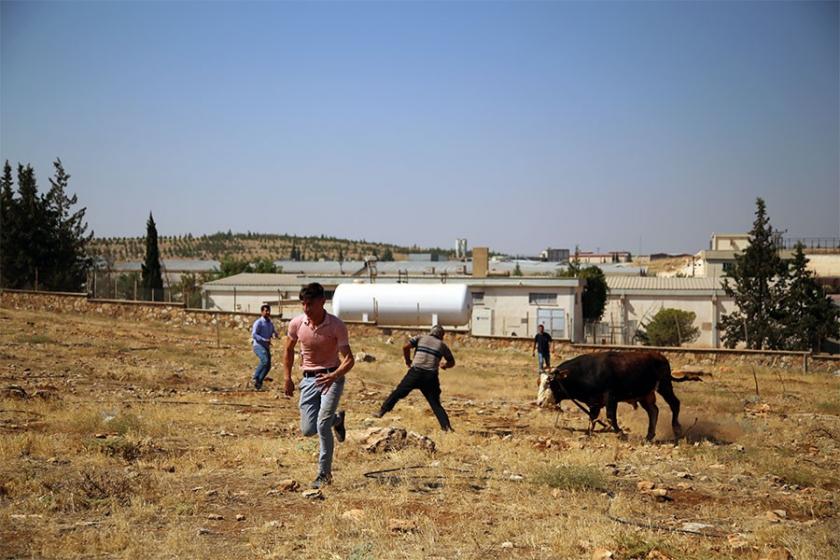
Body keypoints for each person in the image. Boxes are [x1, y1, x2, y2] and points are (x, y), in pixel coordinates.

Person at [284, 282, 354, 489]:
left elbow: (349, 359)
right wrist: (287, 378)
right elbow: (288, 350)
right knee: (308, 429)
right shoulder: (297, 324)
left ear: (323, 302)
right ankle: (337, 420)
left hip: (331, 377)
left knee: (322, 425)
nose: (306, 309)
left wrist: (334, 376)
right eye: (304, 304)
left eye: (311, 304)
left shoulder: (336, 325)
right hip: (308, 380)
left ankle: (324, 474)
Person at [372, 325, 455, 432]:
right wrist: (445, 365)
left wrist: (408, 360)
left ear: (431, 332)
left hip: (415, 372)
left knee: (398, 393)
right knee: (435, 403)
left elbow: (405, 347)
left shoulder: (420, 338)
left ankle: (381, 411)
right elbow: (452, 362)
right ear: (442, 336)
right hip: (430, 376)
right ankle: (447, 428)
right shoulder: (442, 346)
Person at [250, 304, 279, 390]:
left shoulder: (270, 323)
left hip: (266, 346)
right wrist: (263, 339)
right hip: (258, 345)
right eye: (266, 311)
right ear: (262, 312)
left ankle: (259, 382)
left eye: (269, 311)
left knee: (268, 365)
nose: (268, 313)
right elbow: (254, 334)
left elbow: (273, 332)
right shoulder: (258, 322)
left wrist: (275, 334)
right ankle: (255, 378)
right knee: (264, 361)